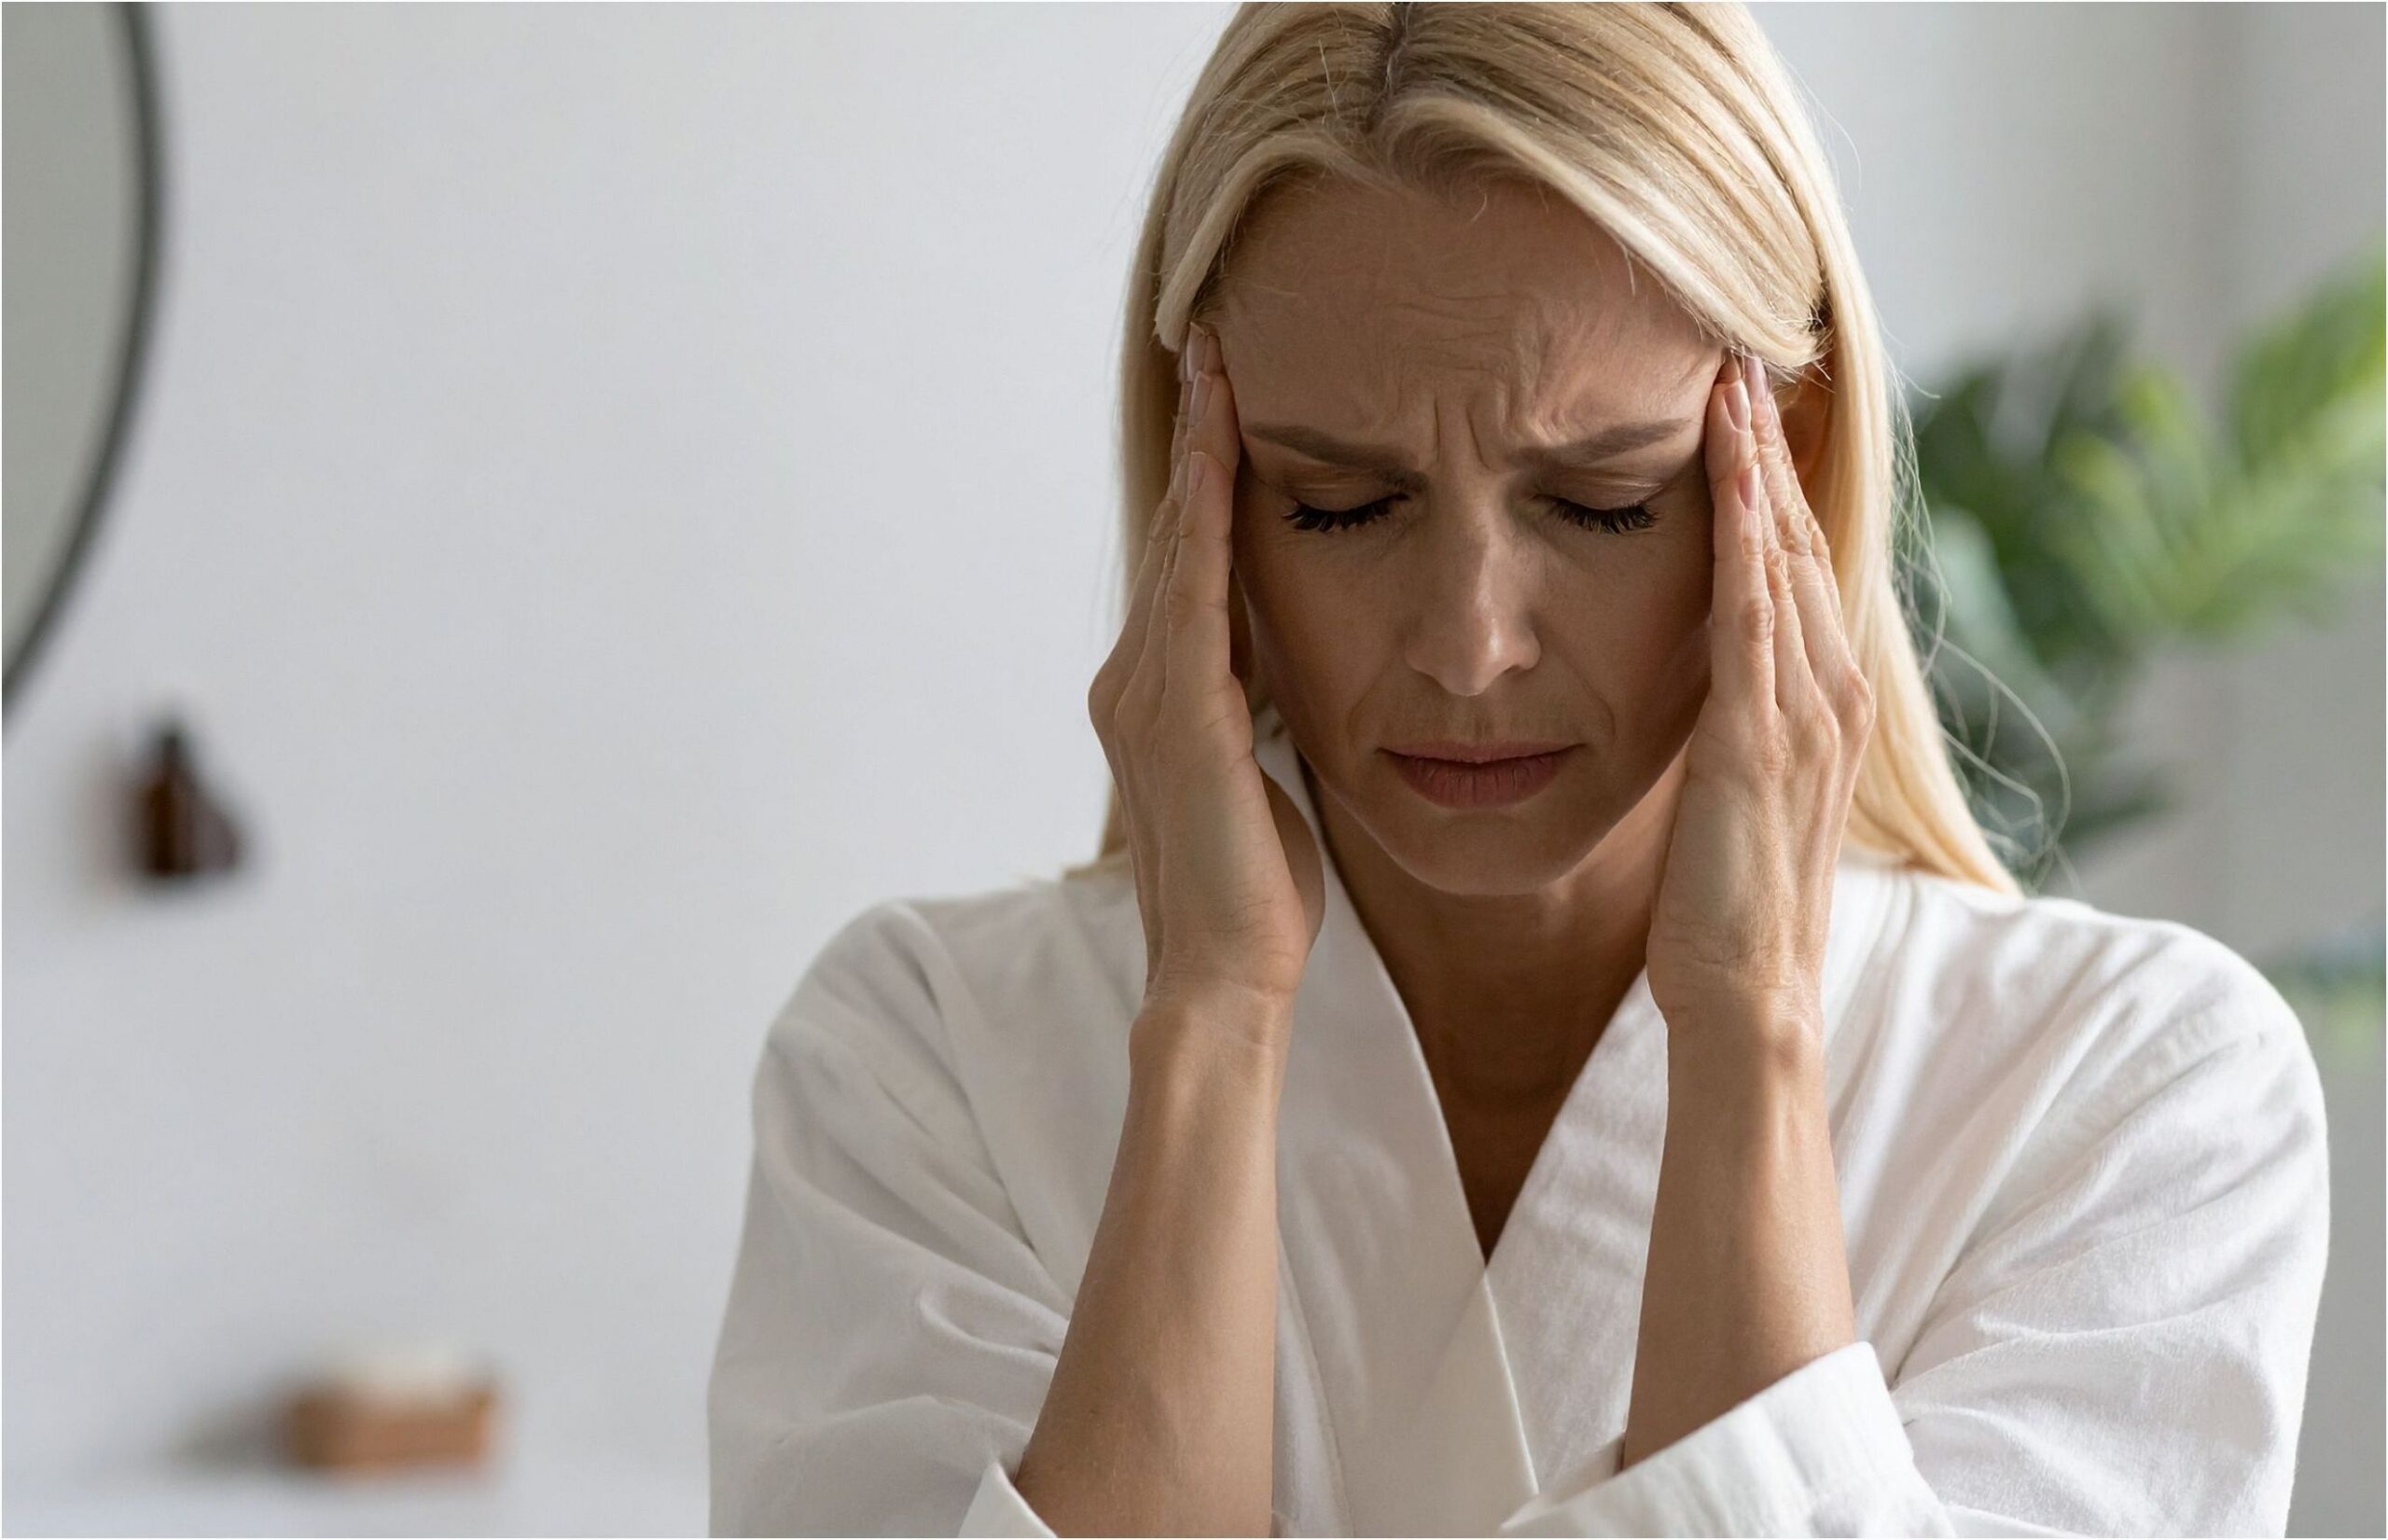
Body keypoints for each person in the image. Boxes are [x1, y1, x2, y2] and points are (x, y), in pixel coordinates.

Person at [705, 5, 2331, 1534]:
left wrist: (1751, 1031)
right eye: (1343, 505)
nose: (1469, 645)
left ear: (1792, 453)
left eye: (1602, 504)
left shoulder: (2127, 1094)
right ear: (1215, 491)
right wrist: (1209, 1023)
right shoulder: (928, 1066)